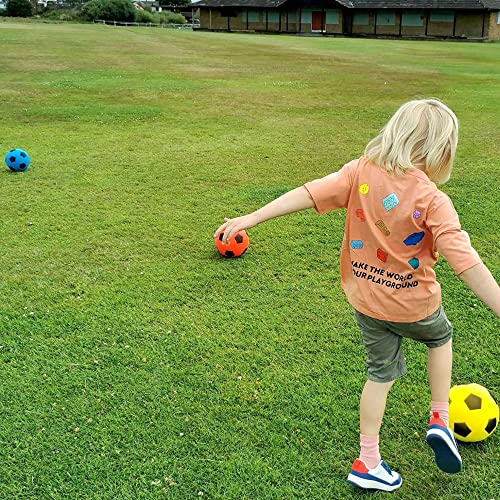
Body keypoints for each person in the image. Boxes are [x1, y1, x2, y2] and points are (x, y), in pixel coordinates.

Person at [213, 99, 500, 492]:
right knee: (440, 336)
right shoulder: (433, 200)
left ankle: (368, 460)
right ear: (442, 150)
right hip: (415, 305)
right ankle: (440, 416)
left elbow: (308, 193)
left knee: (379, 376)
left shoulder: (361, 171)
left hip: (366, 301)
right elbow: (465, 261)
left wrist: (253, 217)